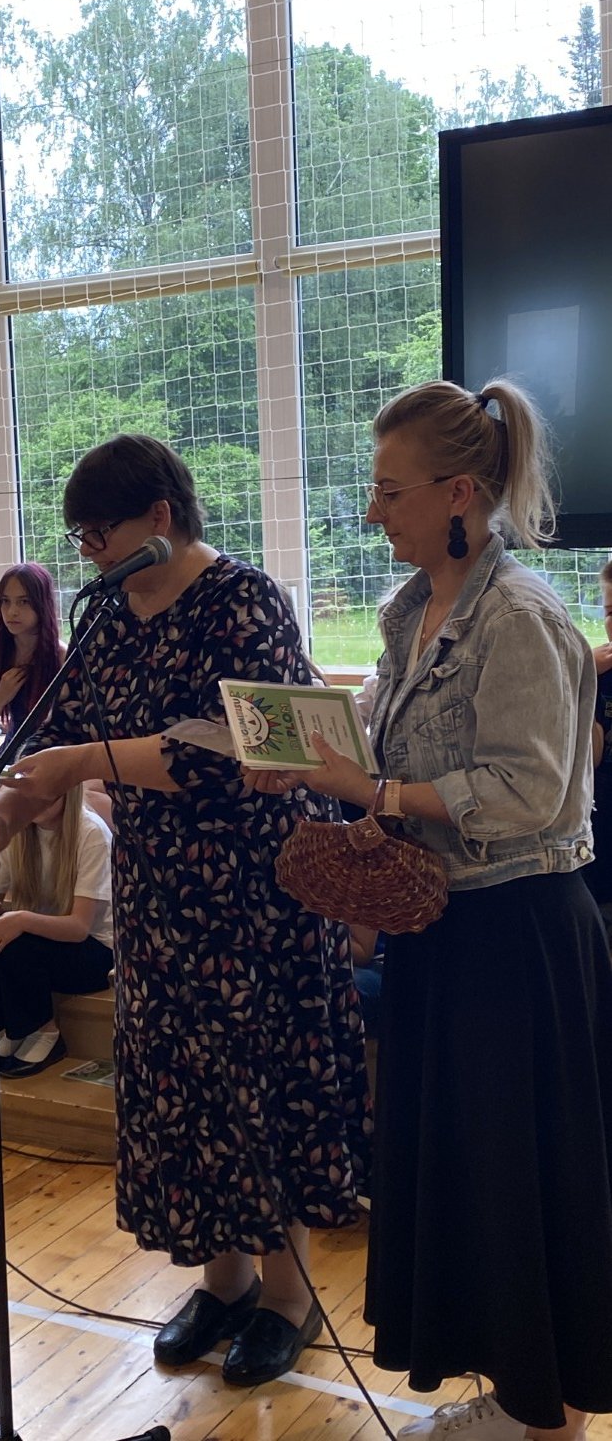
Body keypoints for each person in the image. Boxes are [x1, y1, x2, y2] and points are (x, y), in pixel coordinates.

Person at [248, 380, 612, 1441]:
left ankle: (549, 1417)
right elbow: (388, 757)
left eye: (389, 492)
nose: (373, 513)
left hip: (518, 940)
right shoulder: (411, 613)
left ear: (459, 493)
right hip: (446, 936)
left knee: (518, 1183)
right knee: (470, 1181)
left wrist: (377, 793)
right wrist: (310, 767)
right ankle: (523, 1398)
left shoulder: (522, 617)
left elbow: (528, 791)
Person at [0, 434, 370, 1384]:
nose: (88, 553)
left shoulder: (243, 600)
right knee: (187, 1092)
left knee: (258, 1089)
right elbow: (68, 732)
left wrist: (80, 764)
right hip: (164, 897)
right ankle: (224, 1283)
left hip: (256, 896)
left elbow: (228, 752)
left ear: (159, 517)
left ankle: (289, 1299)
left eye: (99, 532)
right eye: (78, 538)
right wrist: (12, 803)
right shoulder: (112, 615)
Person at [0, 782, 113, 1078]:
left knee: (19, 938)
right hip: (46, 942)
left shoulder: (91, 833)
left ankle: (44, 1031)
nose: (35, 800)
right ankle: (5, 1027)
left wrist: (23, 920)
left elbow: (79, 928)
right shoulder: (19, 833)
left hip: (96, 952)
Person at [0, 563, 65, 748]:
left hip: (52, 757)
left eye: (24, 602)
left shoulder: (62, 658)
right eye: (5, 601)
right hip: (11, 755)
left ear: (42, 604)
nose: (12, 611)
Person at [583, 556, 612, 920]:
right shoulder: (600, 674)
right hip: (601, 834)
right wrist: (583, 679)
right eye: (610, 612)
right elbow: (592, 755)